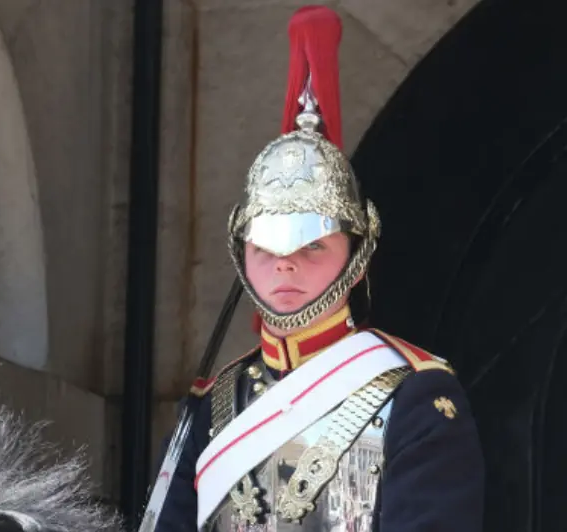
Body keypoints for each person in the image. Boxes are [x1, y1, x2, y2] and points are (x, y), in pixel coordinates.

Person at [138, 5, 484, 532]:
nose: (285, 267)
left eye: (311, 248)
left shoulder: (416, 395)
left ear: (356, 253)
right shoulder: (210, 410)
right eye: (267, 250)